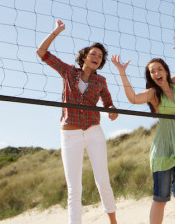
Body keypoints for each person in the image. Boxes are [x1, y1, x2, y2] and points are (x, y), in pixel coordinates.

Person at [36, 20, 118, 224]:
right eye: (93, 54)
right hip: (70, 135)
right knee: (74, 188)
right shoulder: (67, 72)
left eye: (100, 56)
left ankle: (114, 222)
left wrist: (112, 111)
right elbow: (42, 52)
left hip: (93, 133)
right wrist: (57, 31)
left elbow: (108, 103)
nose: (97, 57)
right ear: (84, 56)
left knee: (103, 181)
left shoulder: (101, 81)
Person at [111, 35, 175, 224]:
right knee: (160, 198)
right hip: (164, 148)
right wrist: (122, 72)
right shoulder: (153, 93)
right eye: (152, 71)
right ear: (150, 76)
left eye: (159, 69)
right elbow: (133, 98)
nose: (156, 73)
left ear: (166, 71)